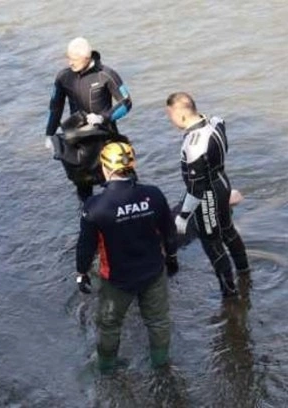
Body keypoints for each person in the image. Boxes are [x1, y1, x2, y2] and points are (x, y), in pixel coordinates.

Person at [75, 142, 178, 373]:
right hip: (153, 272)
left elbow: (86, 245)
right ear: (133, 164)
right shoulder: (153, 195)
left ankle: (106, 369)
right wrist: (171, 258)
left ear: (105, 167)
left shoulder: (95, 207)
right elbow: (169, 232)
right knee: (158, 321)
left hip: (117, 279)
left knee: (110, 325)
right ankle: (161, 366)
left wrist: (81, 273)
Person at [165, 92, 250, 298]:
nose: (171, 121)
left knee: (211, 241)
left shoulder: (193, 145)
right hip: (222, 181)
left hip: (207, 194)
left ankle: (229, 294)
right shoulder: (215, 123)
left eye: (170, 116)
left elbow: (196, 188)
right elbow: (221, 121)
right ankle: (244, 272)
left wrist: (183, 216)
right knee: (228, 229)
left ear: (181, 115)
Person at [44, 37, 133, 201]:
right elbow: (55, 106)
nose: (70, 63)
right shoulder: (63, 77)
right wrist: (49, 134)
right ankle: (87, 218)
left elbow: (126, 103)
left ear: (86, 57)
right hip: (78, 140)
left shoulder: (106, 75)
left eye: (73, 59)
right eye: (68, 58)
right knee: (83, 187)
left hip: (106, 136)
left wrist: (102, 117)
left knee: (118, 181)